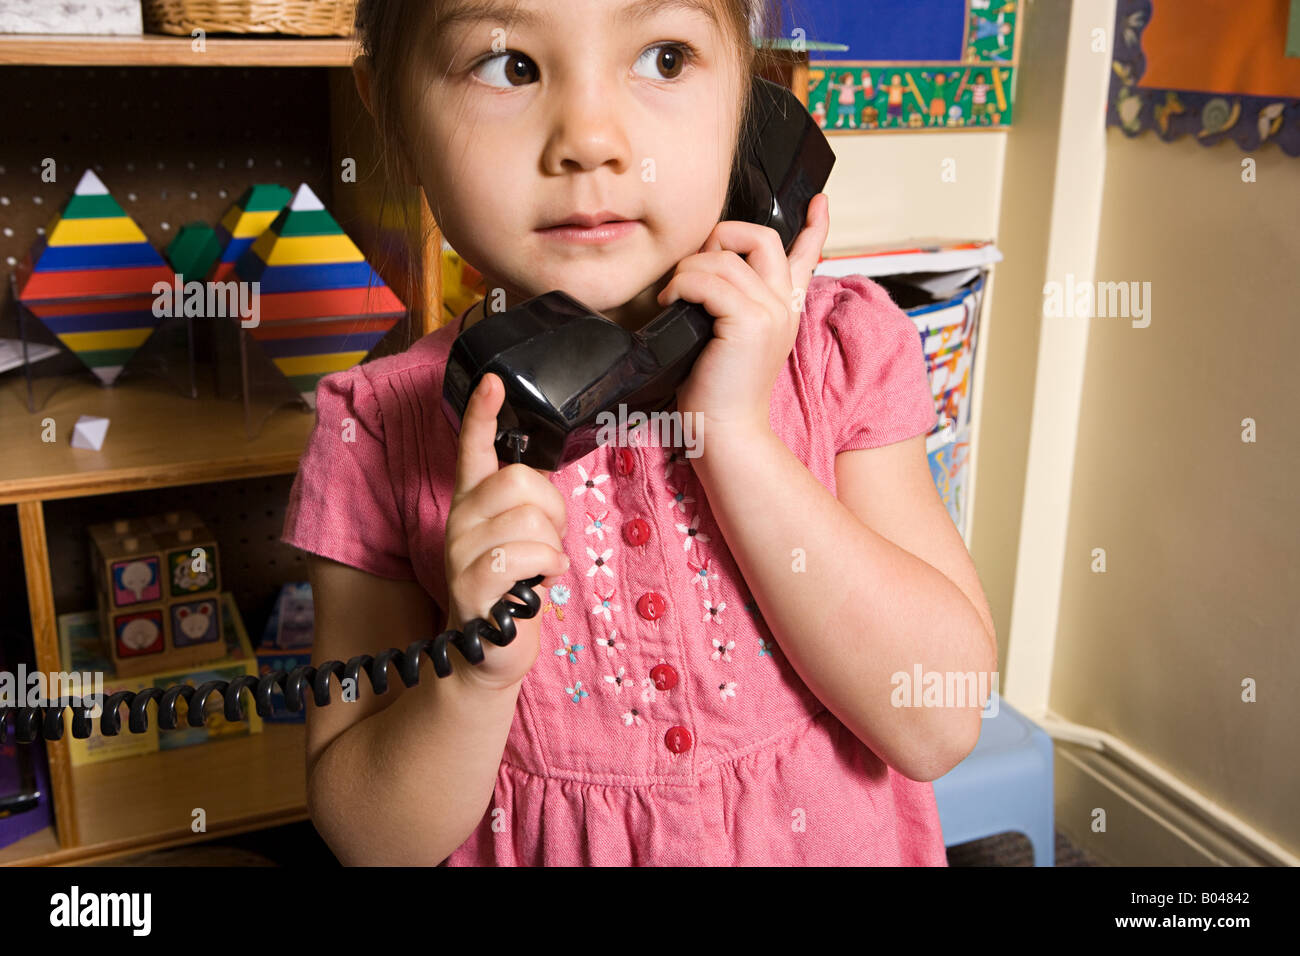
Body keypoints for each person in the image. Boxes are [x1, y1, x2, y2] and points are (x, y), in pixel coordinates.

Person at [283, 0, 998, 866]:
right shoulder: (377, 433)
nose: (591, 140)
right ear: (389, 106)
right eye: (508, 66)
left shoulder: (840, 354)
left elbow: (938, 719)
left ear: (750, 101)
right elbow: (369, 839)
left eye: (664, 58)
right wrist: (473, 677)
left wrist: (735, 436)